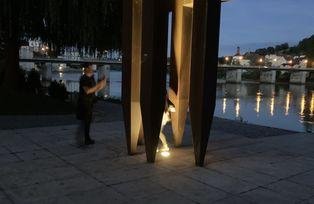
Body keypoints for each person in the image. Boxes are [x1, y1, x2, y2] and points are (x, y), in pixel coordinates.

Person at [76, 63, 106, 145]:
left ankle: (86, 138)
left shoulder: (91, 78)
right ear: (87, 69)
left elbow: (95, 89)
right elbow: (88, 90)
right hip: (84, 103)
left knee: (87, 122)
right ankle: (85, 139)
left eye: (92, 67)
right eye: (90, 67)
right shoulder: (84, 78)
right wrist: (99, 85)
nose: (92, 68)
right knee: (86, 121)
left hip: (90, 102)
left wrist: (102, 84)